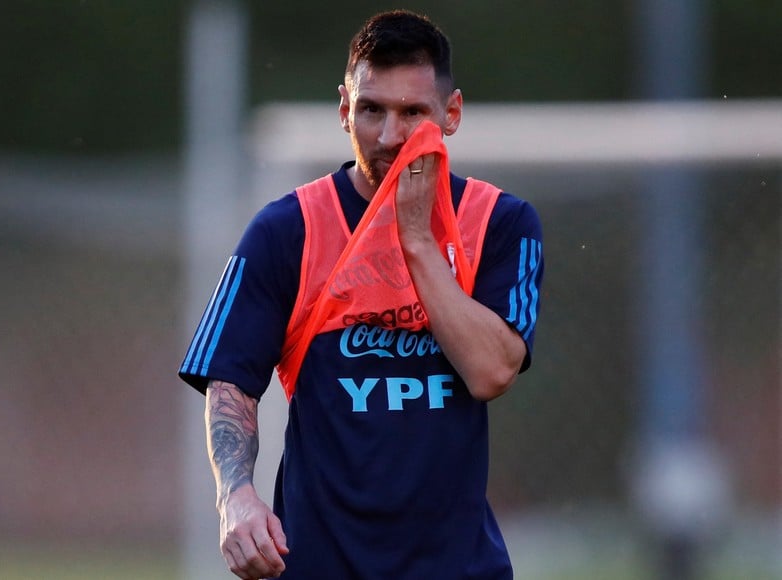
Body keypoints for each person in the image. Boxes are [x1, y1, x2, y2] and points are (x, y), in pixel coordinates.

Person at [179, 10, 543, 579]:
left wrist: (418, 241)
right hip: (319, 565)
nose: (389, 136)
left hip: (456, 568)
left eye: (412, 113)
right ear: (345, 108)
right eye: (372, 109)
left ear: (451, 115)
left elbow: (491, 372)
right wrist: (236, 496)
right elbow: (230, 380)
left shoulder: (499, 223)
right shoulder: (287, 230)